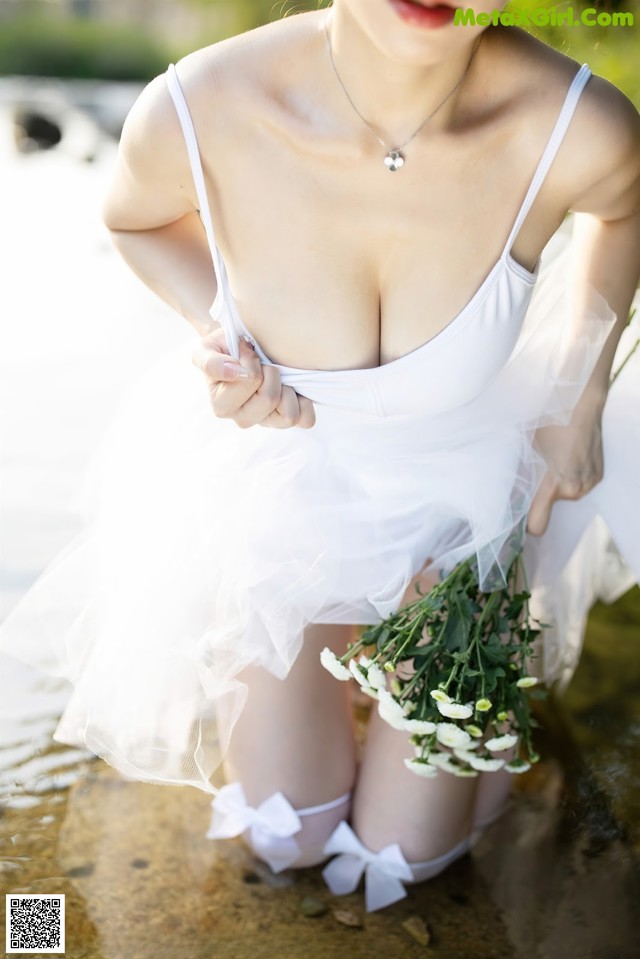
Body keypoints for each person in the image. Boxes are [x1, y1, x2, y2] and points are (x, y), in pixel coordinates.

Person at [2, 0, 639, 913]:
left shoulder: (575, 122)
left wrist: (582, 394)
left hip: (459, 513)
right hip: (290, 499)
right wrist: (220, 330)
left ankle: (477, 724)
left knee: (404, 858)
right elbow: (133, 219)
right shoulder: (197, 106)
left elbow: (625, 208)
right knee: (284, 833)